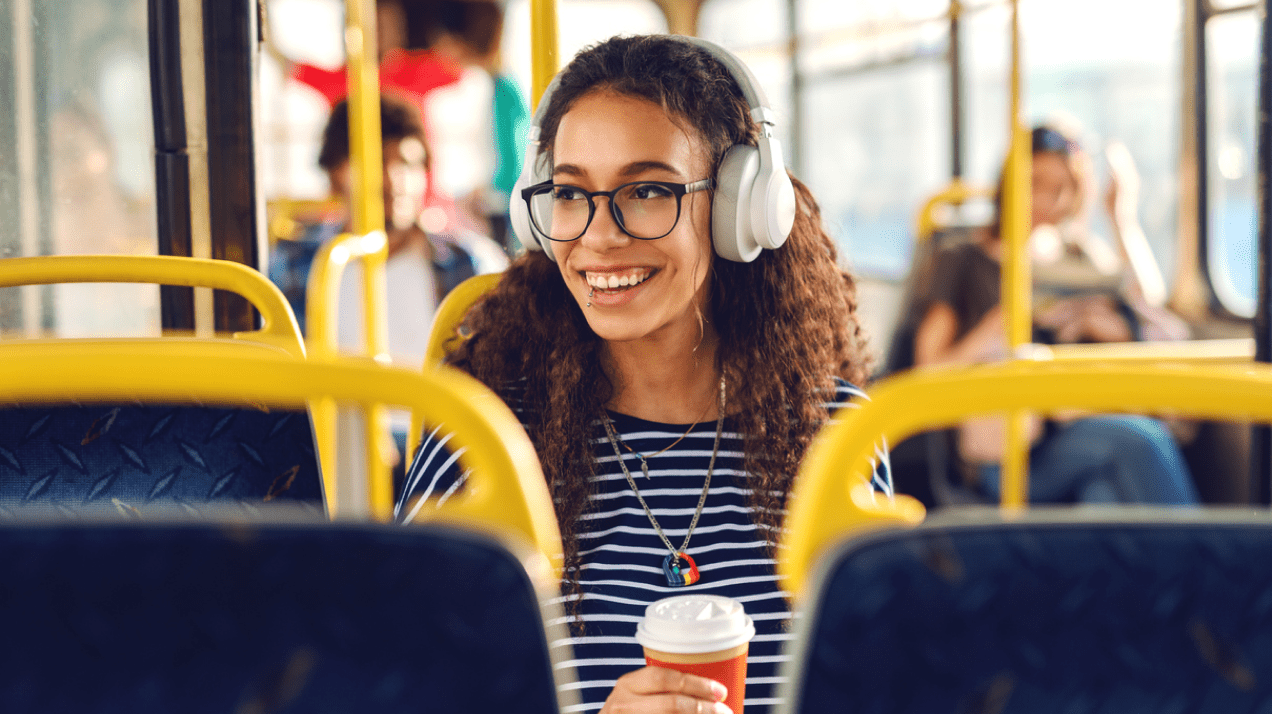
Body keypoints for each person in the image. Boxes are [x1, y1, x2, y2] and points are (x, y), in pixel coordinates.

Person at [396, 34, 887, 714]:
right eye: (569, 194)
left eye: (648, 190)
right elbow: (405, 685)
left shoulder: (837, 432)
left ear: (736, 209)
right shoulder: (480, 439)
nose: (599, 234)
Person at [899, 125, 1198, 505]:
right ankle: (1209, 562)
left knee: (1103, 498)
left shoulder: (1078, 255)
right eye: (1035, 183)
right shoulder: (962, 259)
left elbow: (1149, 306)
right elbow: (928, 371)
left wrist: (1121, 222)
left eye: (1064, 188)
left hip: (1076, 417)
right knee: (1141, 440)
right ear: (1009, 185)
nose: (1048, 199)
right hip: (1007, 445)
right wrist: (997, 328)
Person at [268, 93, 506, 367]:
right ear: (336, 173)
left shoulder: (472, 265)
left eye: (407, 163)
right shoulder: (293, 267)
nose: (394, 180)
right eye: (376, 161)